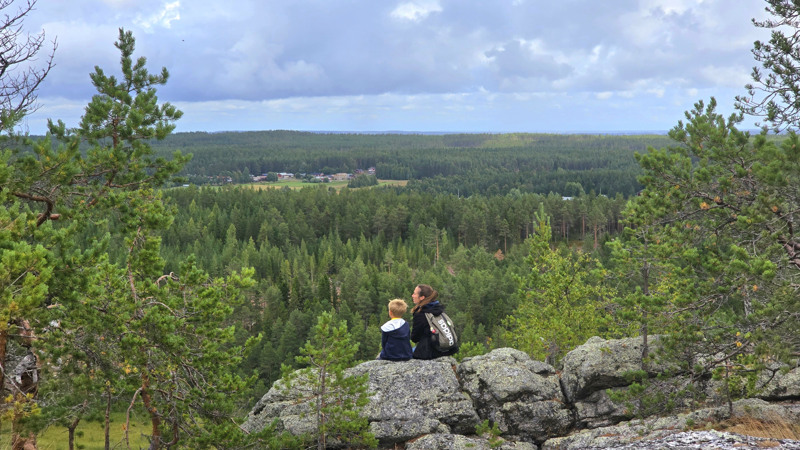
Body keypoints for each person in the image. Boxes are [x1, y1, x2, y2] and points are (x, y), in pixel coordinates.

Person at [410, 284, 457, 360]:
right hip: (447, 350)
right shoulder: (439, 308)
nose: (412, 295)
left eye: (415, 294)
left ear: (422, 297)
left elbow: (415, 338)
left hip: (430, 352)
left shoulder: (421, 314)